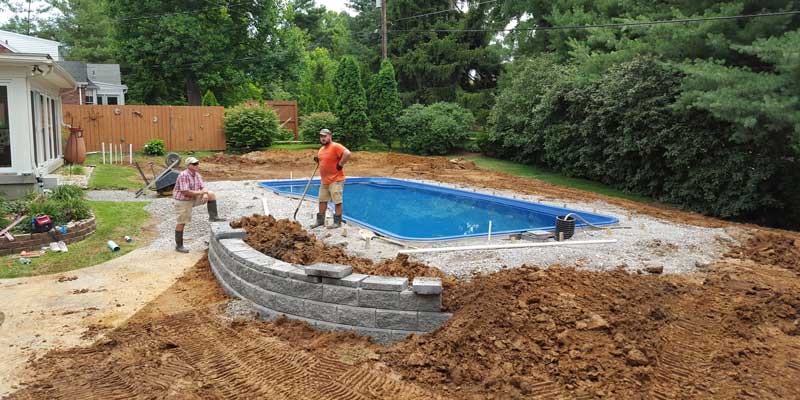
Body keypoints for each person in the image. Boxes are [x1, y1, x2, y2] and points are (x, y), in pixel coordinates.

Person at [173, 156, 225, 253]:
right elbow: (185, 192)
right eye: (194, 164)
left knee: (211, 194)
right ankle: (179, 246)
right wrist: (201, 193)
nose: (197, 165)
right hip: (183, 201)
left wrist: (205, 194)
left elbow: (203, 188)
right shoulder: (183, 175)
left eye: (197, 163)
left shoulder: (197, 175)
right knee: (182, 222)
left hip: (193, 197)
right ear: (188, 166)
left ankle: (213, 217)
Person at [311, 128, 351, 229]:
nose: (323, 138)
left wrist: (340, 164)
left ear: (330, 136)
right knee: (322, 200)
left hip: (336, 179)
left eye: (325, 136)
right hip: (325, 180)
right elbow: (325, 161)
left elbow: (347, 153)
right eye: (321, 136)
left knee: (337, 201)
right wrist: (318, 160)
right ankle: (320, 221)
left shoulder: (335, 146)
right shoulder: (321, 150)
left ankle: (337, 222)